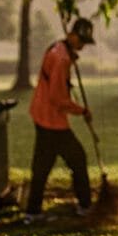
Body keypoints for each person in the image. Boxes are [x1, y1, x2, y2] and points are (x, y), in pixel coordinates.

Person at [23, 17, 95, 222]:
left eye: (84, 43)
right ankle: (84, 206)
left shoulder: (57, 49)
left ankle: (33, 211)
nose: (82, 46)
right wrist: (81, 110)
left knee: (42, 165)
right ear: (71, 35)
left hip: (43, 115)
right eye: (80, 41)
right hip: (51, 120)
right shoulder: (62, 58)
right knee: (77, 158)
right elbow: (57, 98)